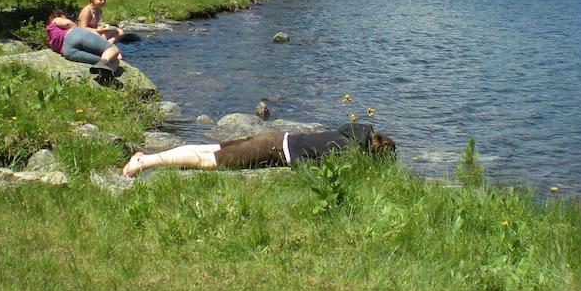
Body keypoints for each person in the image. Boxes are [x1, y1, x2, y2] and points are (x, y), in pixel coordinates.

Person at [122, 122, 394, 178]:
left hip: (274, 137)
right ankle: (144, 162)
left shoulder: (351, 133)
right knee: (208, 161)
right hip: (273, 149)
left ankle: (148, 159)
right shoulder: (346, 149)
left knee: (210, 148)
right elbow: (302, 164)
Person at [45, 10, 121, 76]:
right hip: (74, 35)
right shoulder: (56, 19)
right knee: (113, 49)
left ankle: (107, 72)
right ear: (61, 16)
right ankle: (106, 69)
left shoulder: (50, 39)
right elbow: (67, 23)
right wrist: (79, 29)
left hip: (68, 52)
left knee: (108, 60)